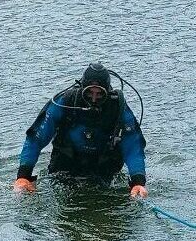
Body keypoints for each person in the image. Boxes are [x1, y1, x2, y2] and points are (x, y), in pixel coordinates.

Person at [13, 62, 148, 198]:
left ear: (107, 91)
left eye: (99, 94)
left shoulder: (117, 108)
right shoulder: (65, 102)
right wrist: (23, 176)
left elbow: (133, 146)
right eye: (89, 92)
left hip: (103, 170)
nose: (94, 98)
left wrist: (138, 182)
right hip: (65, 167)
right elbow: (36, 138)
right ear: (82, 89)